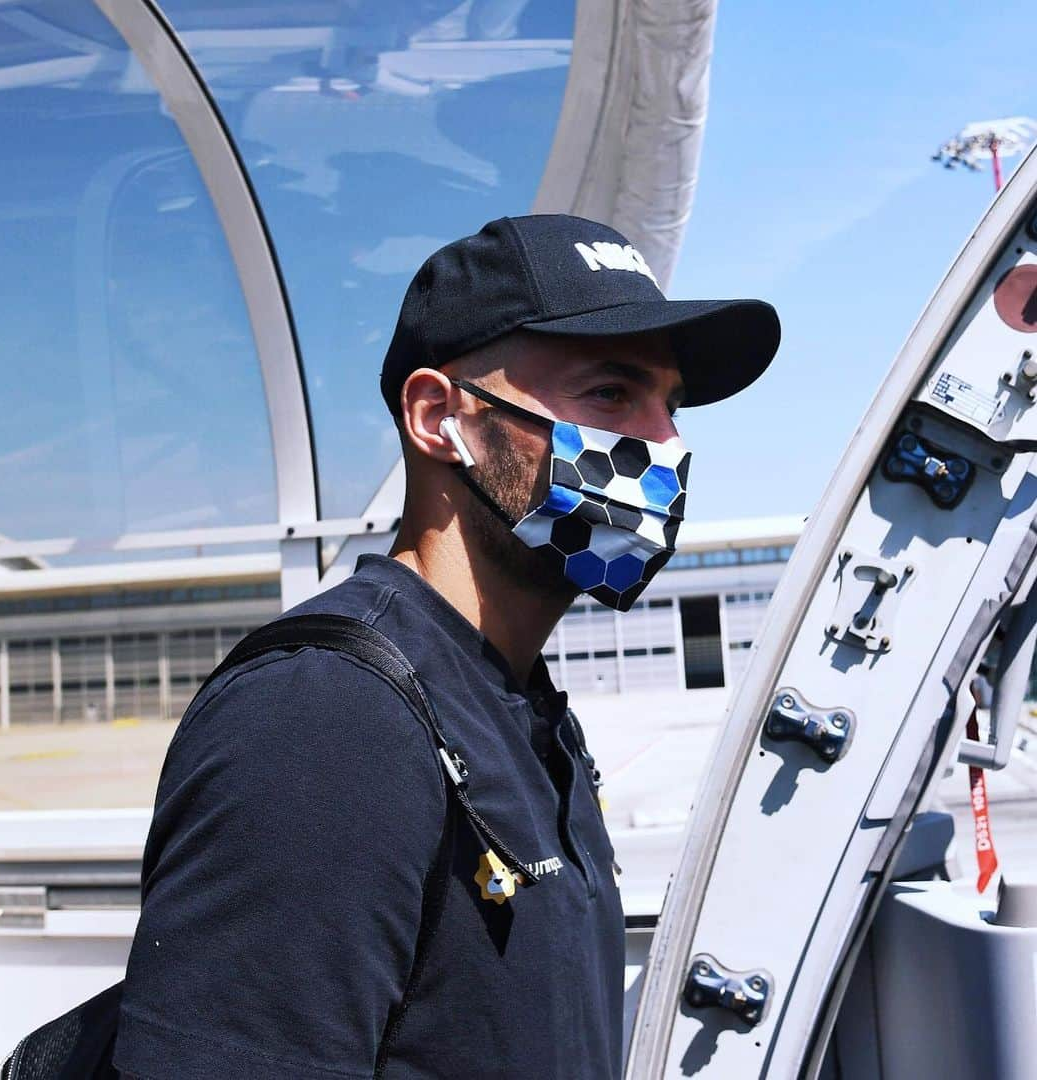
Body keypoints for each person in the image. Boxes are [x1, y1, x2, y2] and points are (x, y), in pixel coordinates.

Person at [113, 213, 780, 1079]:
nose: (668, 445)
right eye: (612, 395)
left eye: (671, 405)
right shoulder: (325, 716)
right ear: (439, 418)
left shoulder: (520, 706)